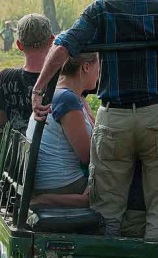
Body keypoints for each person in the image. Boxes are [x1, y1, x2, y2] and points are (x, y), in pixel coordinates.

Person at [31, 0, 158, 240]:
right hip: (157, 115)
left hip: (114, 118)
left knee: (107, 206)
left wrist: (38, 88)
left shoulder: (101, 9)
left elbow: (64, 46)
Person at [26, 52, 99, 208]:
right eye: (98, 64)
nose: (100, 71)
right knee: (118, 189)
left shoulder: (61, 92)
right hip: (63, 185)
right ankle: (46, 199)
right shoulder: (67, 99)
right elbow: (88, 156)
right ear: (86, 67)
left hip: (52, 181)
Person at [0, 13, 55, 133]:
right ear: (51, 40)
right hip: (54, 150)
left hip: (15, 149)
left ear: (19, 45)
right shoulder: (61, 78)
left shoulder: (5, 78)